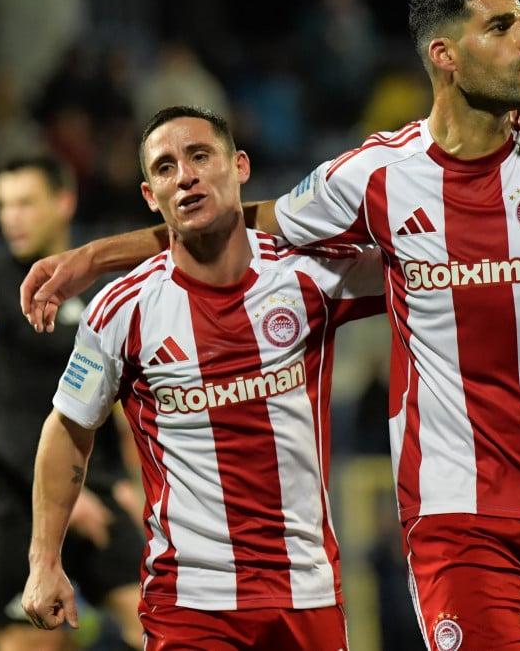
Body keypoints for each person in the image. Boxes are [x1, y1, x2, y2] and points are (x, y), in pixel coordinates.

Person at [19, 0, 520, 648]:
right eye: (502, 26)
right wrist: (96, 256)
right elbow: (233, 217)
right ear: (445, 55)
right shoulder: (375, 176)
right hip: (452, 510)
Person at [20, 106, 384, 649]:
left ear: (240, 166)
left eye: (199, 156)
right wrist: (44, 559)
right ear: (151, 196)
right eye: (165, 168)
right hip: (189, 606)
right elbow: (69, 428)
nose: (185, 176)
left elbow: (420, 258)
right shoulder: (121, 309)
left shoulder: (308, 275)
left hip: (306, 593)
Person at [0, 155, 143, 650]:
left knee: (156, 622)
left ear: (64, 202)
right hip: (19, 500)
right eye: (3, 205)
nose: (11, 217)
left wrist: (128, 484)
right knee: (33, 642)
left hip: (97, 487)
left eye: (25, 203)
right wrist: (61, 501)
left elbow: (124, 405)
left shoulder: (102, 292)